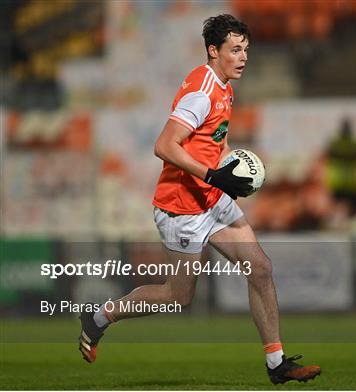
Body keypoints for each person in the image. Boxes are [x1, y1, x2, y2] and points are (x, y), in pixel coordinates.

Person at [77, 14, 321, 385]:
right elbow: (164, 145)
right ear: (213, 50)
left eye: (246, 50)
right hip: (182, 207)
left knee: (260, 268)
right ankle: (99, 317)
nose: (243, 57)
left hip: (211, 198)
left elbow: (215, 139)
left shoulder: (225, 87)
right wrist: (212, 174)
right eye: (235, 50)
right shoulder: (202, 91)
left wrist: (230, 166)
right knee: (178, 296)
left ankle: (277, 364)